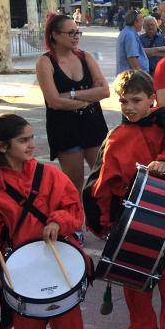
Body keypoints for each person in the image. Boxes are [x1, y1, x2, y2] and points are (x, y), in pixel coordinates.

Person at [83, 71, 165, 329]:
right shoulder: (116, 137)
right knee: (134, 283)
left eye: (136, 100)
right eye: (123, 101)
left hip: (164, 220)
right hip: (129, 221)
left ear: (152, 99)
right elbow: (101, 185)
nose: (129, 107)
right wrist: (106, 225)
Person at [0, 114, 95, 329]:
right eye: (24, 140)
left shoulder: (50, 174)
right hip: (18, 265)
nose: (32, 145)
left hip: (56, 254)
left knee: (68, 321)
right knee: (27, 325)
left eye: (31, 138)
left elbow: (73, 207)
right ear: (2, 146)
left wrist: (57, 222)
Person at [36, 14, 110, 200]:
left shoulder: (86, 57)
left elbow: (104, 92)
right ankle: (74, 226)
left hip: (93, 125)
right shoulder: (45, 62)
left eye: (78, 33)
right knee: (73, 184)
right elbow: (54, 102)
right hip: (65, 130)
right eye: (71, 33)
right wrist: (88, 98)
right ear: (55, 35)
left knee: (103, 178)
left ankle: (103, 223)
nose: (76, 37)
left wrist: (71, 94)